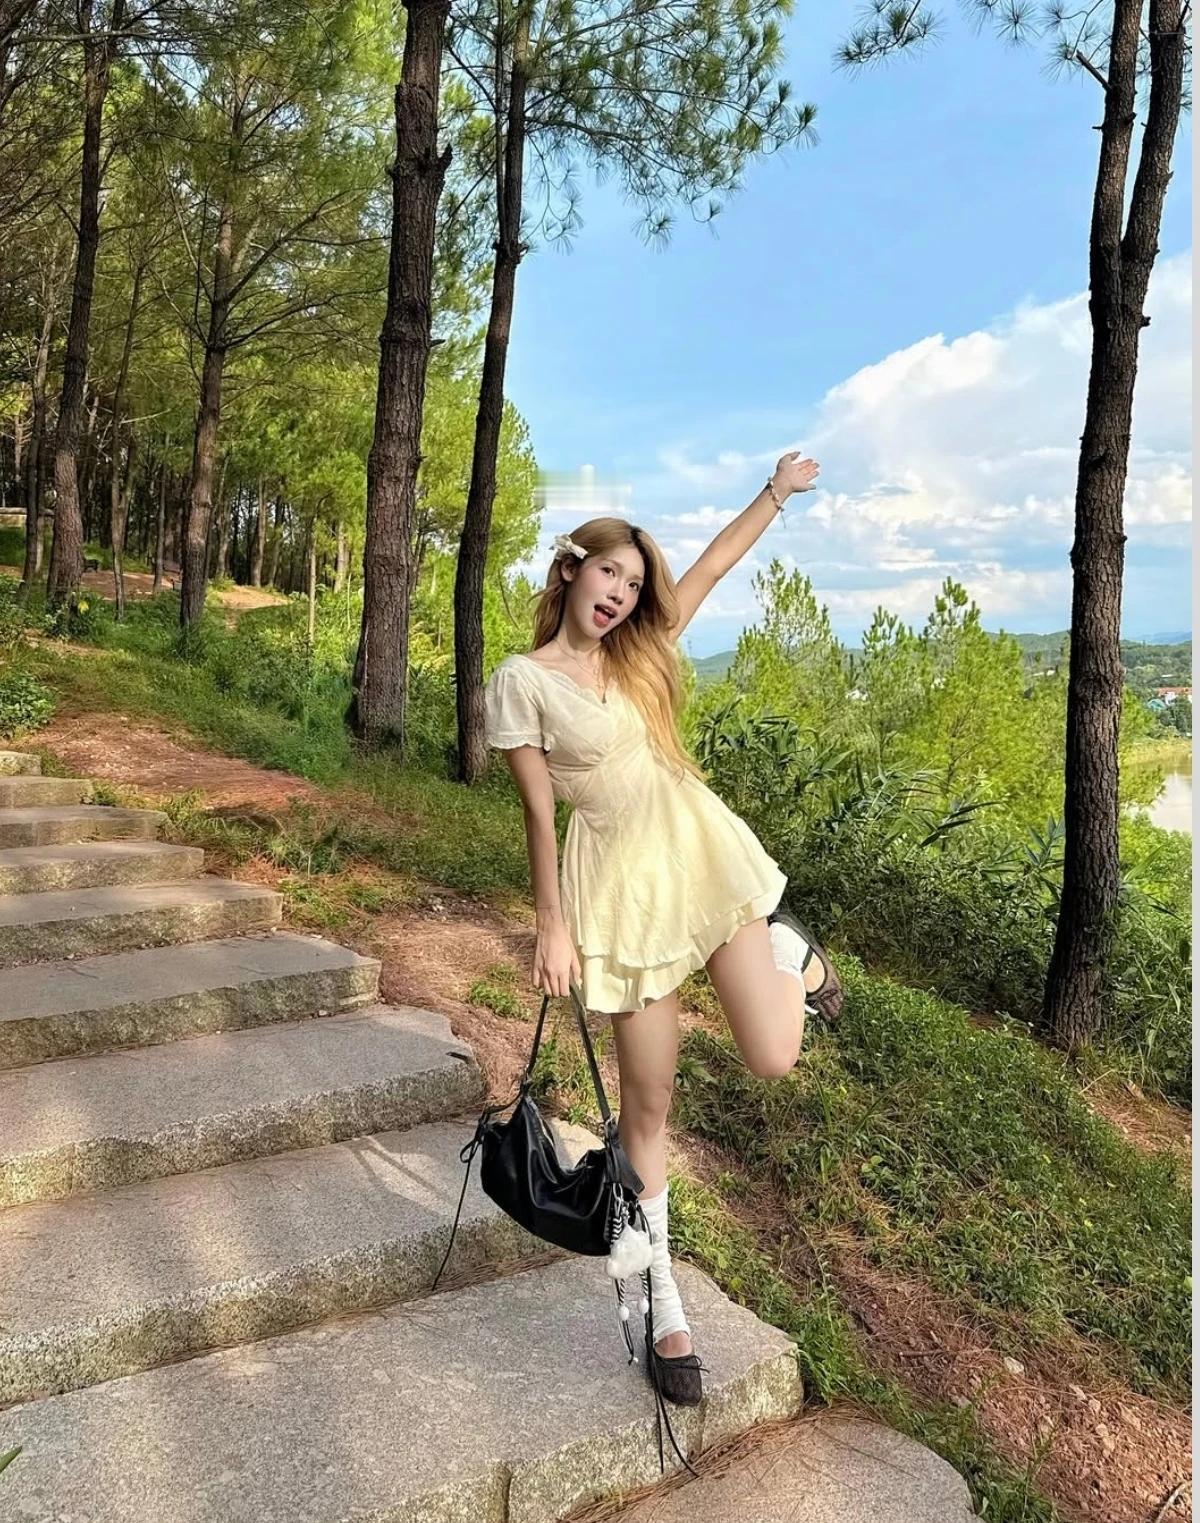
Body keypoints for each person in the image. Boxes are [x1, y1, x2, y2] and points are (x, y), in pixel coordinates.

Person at [482, 450, 844, 1409]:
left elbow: (715, 564)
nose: (621, 594)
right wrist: (550, 924)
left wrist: (774, 493)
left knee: (771, 1053)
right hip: (618, 890)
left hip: (699, 854)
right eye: (610, 572)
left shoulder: (638, 655)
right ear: (572, 569)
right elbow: (536, 811)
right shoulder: (521, 681)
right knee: (646, 1108)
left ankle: (789, 955)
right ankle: (664, 1298)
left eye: (635, 583)